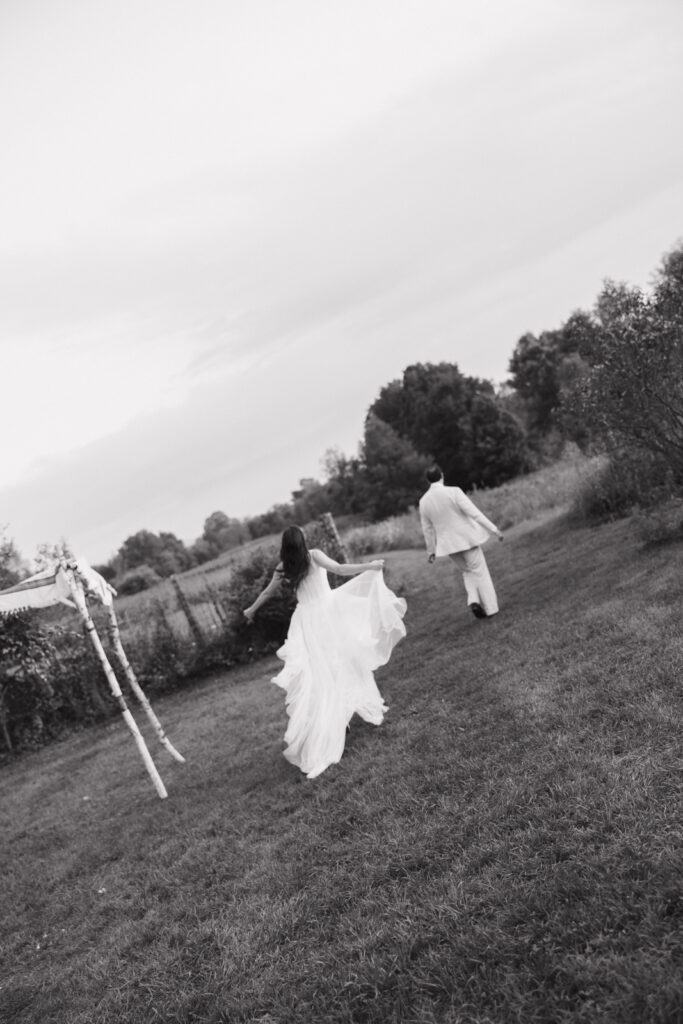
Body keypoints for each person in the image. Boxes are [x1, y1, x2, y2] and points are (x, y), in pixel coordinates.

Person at [243, 525, 407, 780]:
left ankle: (339, 716)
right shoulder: (314, 555)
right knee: (343, 661)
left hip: (307, 620)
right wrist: (370, 565)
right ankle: (340, 714)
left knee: (322, 669)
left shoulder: (284, 566)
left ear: (285, 547)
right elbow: (340, 569)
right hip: (329, 613)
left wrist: (251, 609)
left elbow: (267, 592)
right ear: (302, 540)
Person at [418, 465, 503, 619]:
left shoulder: (423, 502)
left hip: (448, 545)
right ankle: (491, 609)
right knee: (479, 571)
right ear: (442, 475)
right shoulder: (453, 491)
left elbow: (427, 529)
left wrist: (431, 551)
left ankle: (473, 600)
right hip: (466, 539)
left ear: (427, 480)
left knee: (467, 572)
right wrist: (493, 529)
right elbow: (474, 512)